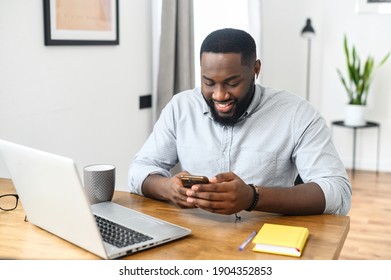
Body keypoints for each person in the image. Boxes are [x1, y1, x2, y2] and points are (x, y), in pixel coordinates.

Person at [128, 28, 351, 216]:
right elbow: (139, 170)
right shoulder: (181, 107)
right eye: (208, 82)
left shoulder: (297, 114)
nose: (219, 95)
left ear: (256, 69)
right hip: (194, 236)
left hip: (266, 238)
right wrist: (167, 188)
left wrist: (253, 197)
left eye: (232, 83)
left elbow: (338, 193)